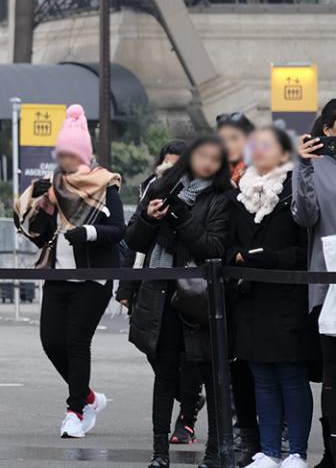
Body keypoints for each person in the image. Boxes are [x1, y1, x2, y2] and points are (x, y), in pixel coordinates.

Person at [14, 105, 123, 439]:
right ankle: (90, 398)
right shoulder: (54, 186)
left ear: (83, 155)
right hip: (58, 274)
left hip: (92, 278)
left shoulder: (105, 185)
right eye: (61, 154)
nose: (65, 161)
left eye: (70, 154)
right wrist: (38, 204)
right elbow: (38, 229)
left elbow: (119, 230)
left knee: (77, 342)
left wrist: (87, 233)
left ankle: (75, 411)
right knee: (51, 341)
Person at [126, 134, 233, 468]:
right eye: (202, 156)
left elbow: (213, 249)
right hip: (161, 293)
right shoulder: (160, 188)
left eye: (214, 160)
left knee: (208, 372)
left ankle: (215, 452)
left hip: (198, 299)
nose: (206, 163)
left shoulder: (222, 198)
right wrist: (150, 218)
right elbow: (134, 241)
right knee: (165, 374)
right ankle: (159, 452)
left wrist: (183, 217)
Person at [227, 126, 313, 468]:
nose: (258, 153)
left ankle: (296, 452)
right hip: (250, 297)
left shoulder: (294, 190)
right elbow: (229, 241)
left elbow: (305, 248)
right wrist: (238, 256)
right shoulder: (239, 192)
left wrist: (269, 258)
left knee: (291, 376)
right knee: (261, 375)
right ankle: (268, 451)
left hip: (288, 296)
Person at [218, 111, 261, 457]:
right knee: (234, 364)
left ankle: (275, 434)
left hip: (260, 281)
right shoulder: (215, 177)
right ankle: (244, 434)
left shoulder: (264, 174)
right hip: (226, 281)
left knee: (263, 361)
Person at [295, 99, 336, 468]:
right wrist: (303, 166)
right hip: (328, 286)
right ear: (327, 129)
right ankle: (331, 451)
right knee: (331, 376)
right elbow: (305, 215)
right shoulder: (315, 166)